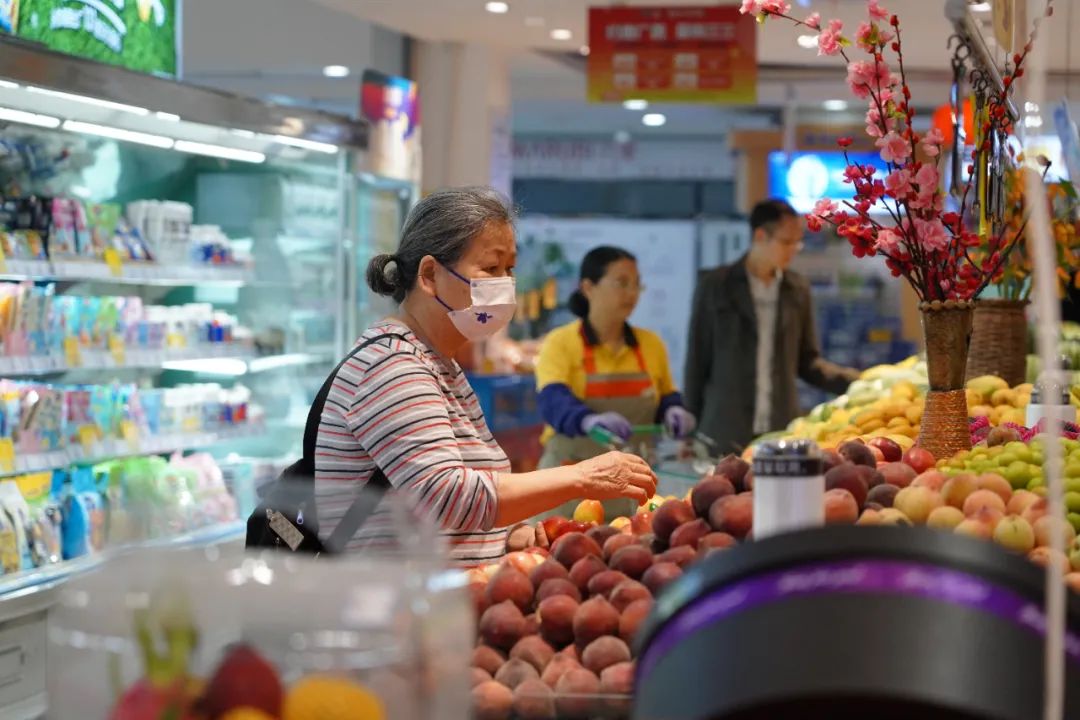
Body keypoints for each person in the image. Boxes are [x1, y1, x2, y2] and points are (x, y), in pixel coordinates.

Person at [314, 187, 656, 567]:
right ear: (429, 275)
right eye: (491, 269)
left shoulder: (440, 364)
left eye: (509, 270)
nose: (505, 284)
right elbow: (447, 496)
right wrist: (580, 477)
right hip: (391, 612)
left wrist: (508, 536)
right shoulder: (392, 367)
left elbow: (450, 498)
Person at [684, 198, 858, 456]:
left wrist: (859, 381)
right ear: (760, 235)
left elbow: (808, 363)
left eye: (797, 242)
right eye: (786, 242)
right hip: (723, 430)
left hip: (781, 430)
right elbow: (697, 363)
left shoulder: (797, 289)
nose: (794, 250)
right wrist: (689, 433)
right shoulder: (715, 286)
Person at [534, 246, 696, 519]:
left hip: (630, 493)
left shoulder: (650, 345)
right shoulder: (560, 343)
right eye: (622, 283)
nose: (632, 293)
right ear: (588, 287)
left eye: (636, 285)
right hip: (569, 490)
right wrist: (587, 421)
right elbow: (553, 400)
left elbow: (665, 395)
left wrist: (672, 410)